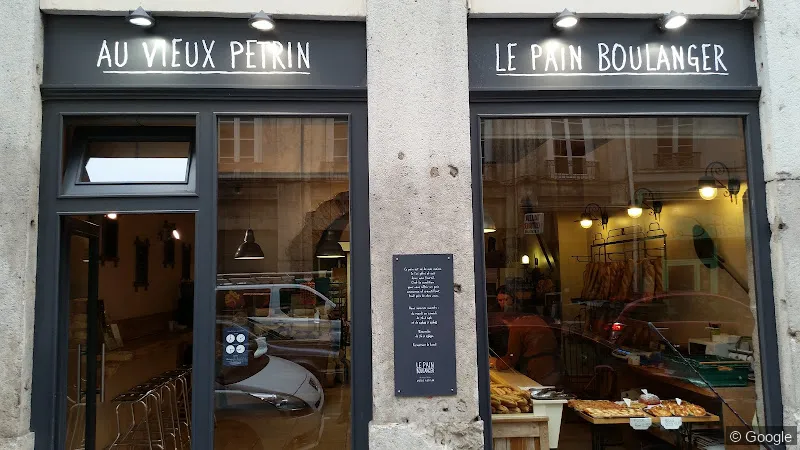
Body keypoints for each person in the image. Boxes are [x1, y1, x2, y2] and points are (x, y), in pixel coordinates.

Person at [496, 314, 561, 386]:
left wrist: (498, 363)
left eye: (506, 325)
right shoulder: (536, 320)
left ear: (511, 320)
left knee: (539, 390)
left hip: (537, 366)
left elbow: (512, 356)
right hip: (554, 363)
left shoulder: (516, 326)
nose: (508, 328)